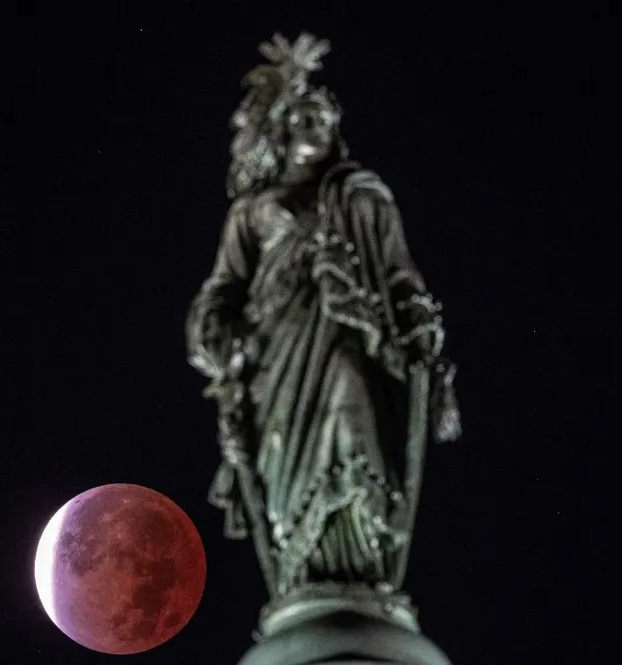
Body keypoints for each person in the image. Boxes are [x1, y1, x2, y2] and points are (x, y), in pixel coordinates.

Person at [186, 34, 460, 596]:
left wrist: (418, 326)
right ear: (281, 129)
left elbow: (398, 272)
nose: (313, 126)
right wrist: (218, 338)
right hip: (275, 353)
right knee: (287, 458)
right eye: (302, 117)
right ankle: (300, 560)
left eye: (323, 118)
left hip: (352, 332)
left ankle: (362, 544)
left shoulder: (363, 196)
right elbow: (223, 288)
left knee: (350, 389)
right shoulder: (253, 211)